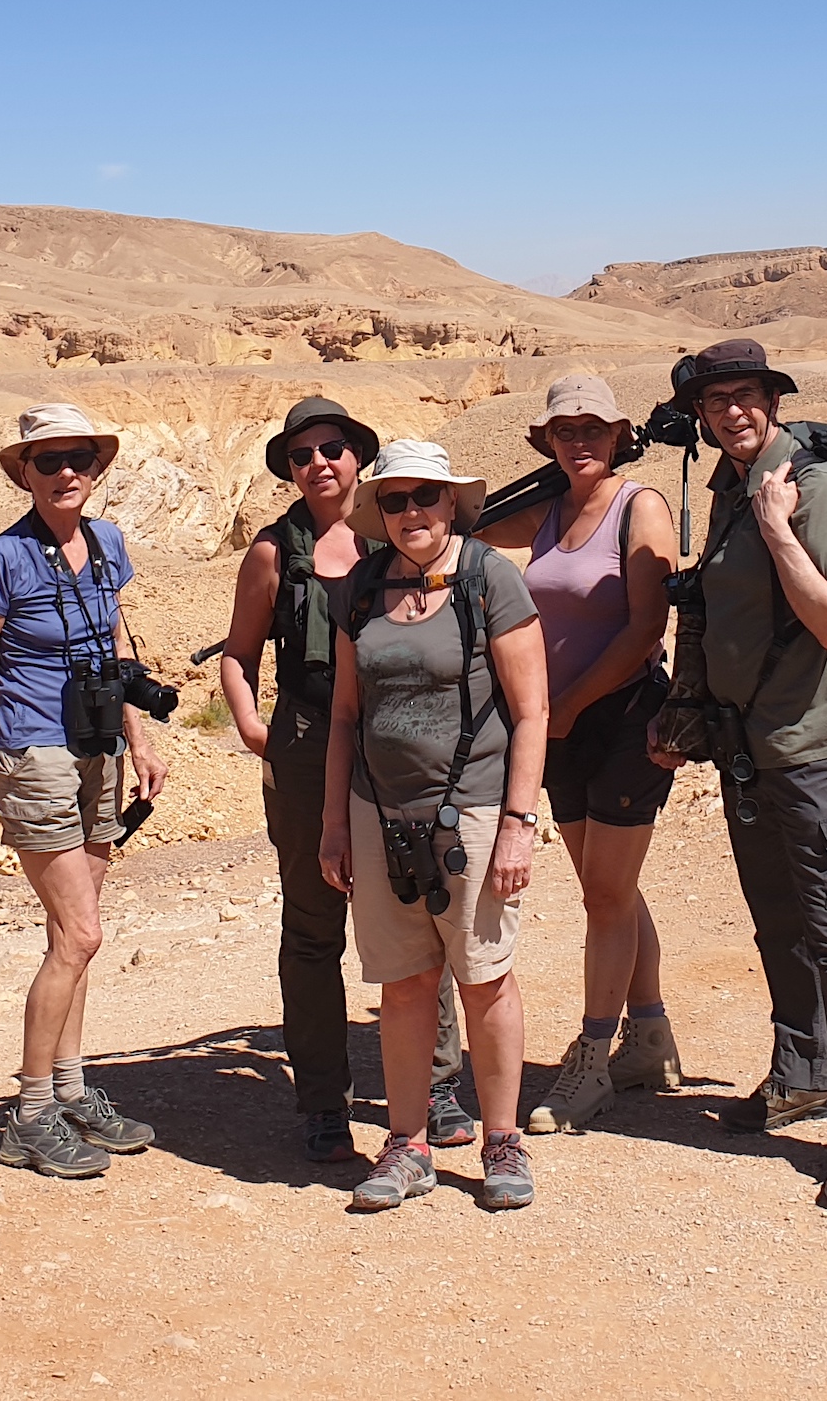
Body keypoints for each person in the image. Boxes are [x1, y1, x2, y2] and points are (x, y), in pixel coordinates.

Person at [650, 339, 827, 1207]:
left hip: (816, 752)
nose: (732, 411)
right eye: (715, 400)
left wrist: (775, 525)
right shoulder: (730, 488)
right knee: (777, 923)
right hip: (749, 749)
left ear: (773, 397)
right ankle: (803, 1071)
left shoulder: (816, 490)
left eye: (747, 394)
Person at [221, 400, 477, 1162]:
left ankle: (436, 1087)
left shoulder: (395, 534)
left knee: (420, 902)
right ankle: (324, 1101)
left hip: (395, 733)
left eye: (332, 447)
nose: (319, 463)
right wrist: (253, 727)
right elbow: (239, 654)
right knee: (311, 925)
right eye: (302, 455)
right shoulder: (274, 552)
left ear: (357, 457)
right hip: (305, 738)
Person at [318, 441, 548, 1211]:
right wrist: (333, 823)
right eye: (395, 500)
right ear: (379, 513)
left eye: (425, 496)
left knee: (484, 978)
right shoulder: (359, 590)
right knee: (406, 982)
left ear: (452, 502)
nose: (411, 511)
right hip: (378, 811)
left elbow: (532, 710)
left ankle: (502, 1139)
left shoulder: (490, 578)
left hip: (476, 809)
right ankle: (407, 1143)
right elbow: (346, 713)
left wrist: (519, 821)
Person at [0, 404, 166, 1180]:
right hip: (33, 749)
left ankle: (70, 1091)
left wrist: (139, 736)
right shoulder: (0, 557)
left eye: (78, 457)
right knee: (81, 934)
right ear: (25, 473)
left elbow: (112, 642)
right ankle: (30, 1112)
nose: (65, 471)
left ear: (96, 467)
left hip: (98, 746)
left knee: (71, 932)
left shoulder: (107, 543)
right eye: (48, 460)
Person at [476, 375, 682, 1134]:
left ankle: (593, 1058)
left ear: (618, 433)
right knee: (610, 889)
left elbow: (642, 630)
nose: (579, 440)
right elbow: (463, 527)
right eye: (565, 430)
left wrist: (565, 706)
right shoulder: (547, 509)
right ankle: (651, 1036)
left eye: (593, 428)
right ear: (547, 441)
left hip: (622, 718)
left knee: (605, 894)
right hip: (558, 728)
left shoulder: (640, 506)